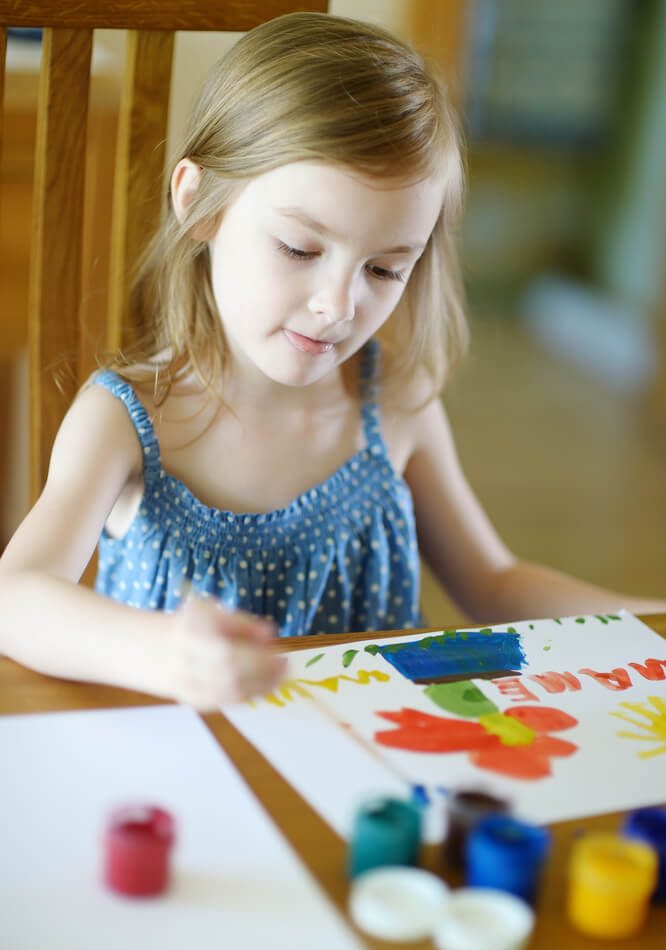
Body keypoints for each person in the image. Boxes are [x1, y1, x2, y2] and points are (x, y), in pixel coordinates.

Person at [0, 13, 663, 710]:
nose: (338, 305)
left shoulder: (397, 406)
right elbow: (16, 598)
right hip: (191, 769)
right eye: (300, 249)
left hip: (368, 775)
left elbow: (495, 584)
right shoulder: (127, 420)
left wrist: (653, 626)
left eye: (383, 269)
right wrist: (164, 655)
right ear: (200, 205)